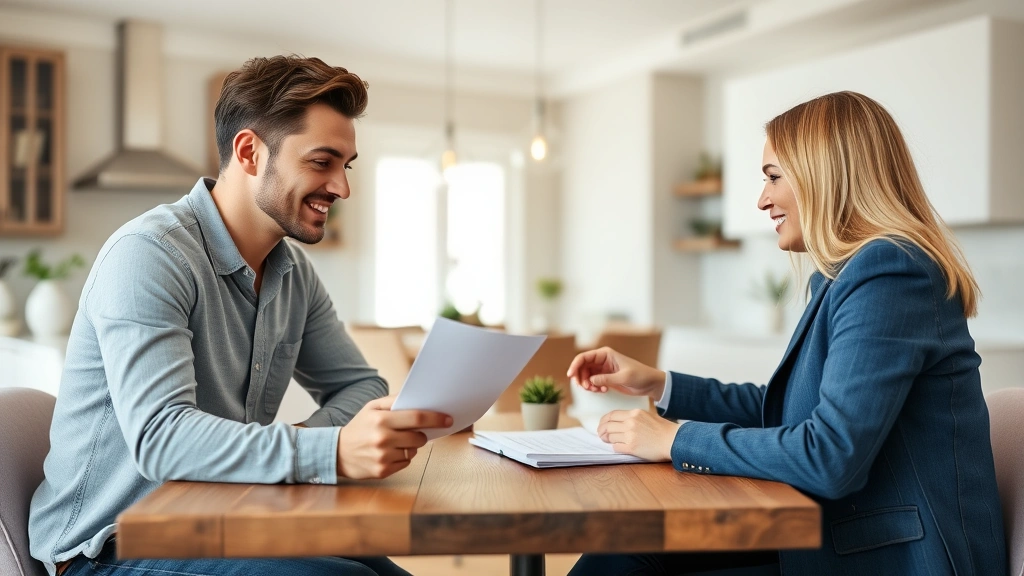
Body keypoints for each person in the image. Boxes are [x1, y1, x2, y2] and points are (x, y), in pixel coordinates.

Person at [29, 55, 450, 576]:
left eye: (347, 165)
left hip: (225, 518)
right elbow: (161, 438)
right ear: (249, 152)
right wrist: (327, 451)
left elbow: (361, 387)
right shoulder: (150, 255)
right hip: (109, 545)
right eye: (322, 162)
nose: (343, 188)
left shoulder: (292, 271)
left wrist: (315, 450)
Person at [566, 91, 1006, 576]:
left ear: (826, 174)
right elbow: (786, 410)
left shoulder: (890, 273)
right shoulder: (843, 279)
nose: (762, 199)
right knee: (625, 547)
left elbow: (830, 454)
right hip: (839, 537)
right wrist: (659, 384)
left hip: (896, 558)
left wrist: (675, 440)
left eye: (773, 177)